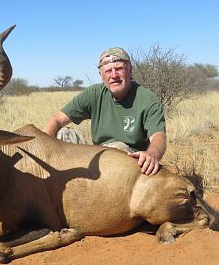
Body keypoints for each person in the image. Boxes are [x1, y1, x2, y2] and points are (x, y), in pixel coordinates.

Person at [43, 47, 166, 175]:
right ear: (101, 75)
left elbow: (158, 137)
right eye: (108, 71)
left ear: (130, 70)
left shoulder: (148, 99)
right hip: (97, 154)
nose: (114, 75)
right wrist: (44, 150)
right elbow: (56, 120)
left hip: (128, 160)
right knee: (61, 134)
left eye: (119, 69)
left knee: (116, 148)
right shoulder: (93, 93)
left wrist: (152, 154)